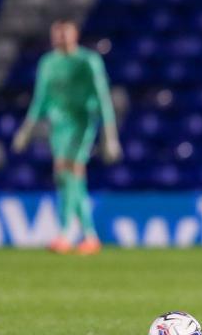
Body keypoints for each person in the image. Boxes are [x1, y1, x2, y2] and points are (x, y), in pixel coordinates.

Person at [13, 19, 122, 255]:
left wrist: (110, 135)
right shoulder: (48, 62)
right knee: (66, 176)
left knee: (71, 169)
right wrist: (26, 129)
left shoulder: (88, 60)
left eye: (65, 33)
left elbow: (103, 97)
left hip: (82, 121)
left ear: (75, 35)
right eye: (57, 33)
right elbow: (40, 98)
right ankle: (89, 235)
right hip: (58, 125)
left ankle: (65, 233)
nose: (61, 37)